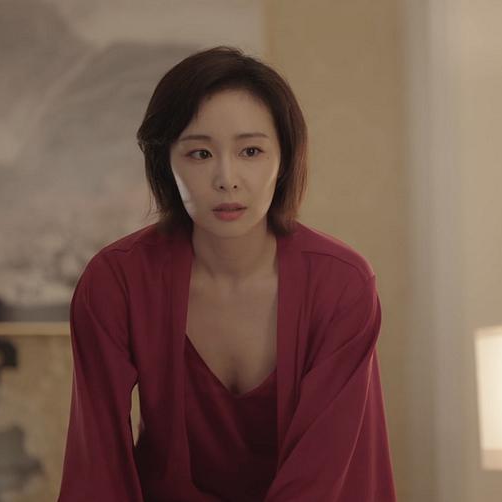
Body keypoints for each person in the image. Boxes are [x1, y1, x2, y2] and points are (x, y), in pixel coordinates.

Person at [59, 47, 396, 502]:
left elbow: (326, 474)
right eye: (200, 153)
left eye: (251, 151)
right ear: (165, 163)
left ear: (284, 158)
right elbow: (98, 469)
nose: (227, 178)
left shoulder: (342, 285)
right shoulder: (115, 282)